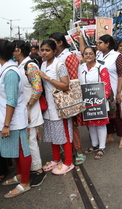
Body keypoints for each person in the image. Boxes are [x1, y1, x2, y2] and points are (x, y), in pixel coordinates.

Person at [0, 40, 32, 198]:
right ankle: (20, 175)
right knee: (17, 151)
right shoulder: (6, 69)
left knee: (22, 151)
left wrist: (6, 124)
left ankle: (25, 182)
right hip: (10, 118)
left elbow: (11, 100)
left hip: (14, 120)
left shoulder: (10, 73)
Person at [49, 32, 85, 165]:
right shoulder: (56, 57)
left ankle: (79, 151)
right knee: (65, 126)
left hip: (68, 97)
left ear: (59, 42)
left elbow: (73, 81)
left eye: (52, 41)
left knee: (72, 126)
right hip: (58, 97)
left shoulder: (68, 57)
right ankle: (69, 150)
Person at [12, 40, 46, 187]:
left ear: (18, 50)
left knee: (30, 141)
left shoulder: (30, 65)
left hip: (29, 110)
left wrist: (28, 106)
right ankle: (31, 168)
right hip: (23, 111)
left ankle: (39, 170)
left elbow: (38, 89)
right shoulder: (18, 66)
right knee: (26, 141)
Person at [39, 40, 74, 175]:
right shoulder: (42, 65)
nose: (44, 53)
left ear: (54, 51)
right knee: (53, 134)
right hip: (48, 107)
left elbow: (65, 85)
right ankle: (56, 159)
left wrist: (47, 78)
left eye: (47, 50)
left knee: (64, 135)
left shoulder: (59, 65)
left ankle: (68, 162)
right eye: (42, 50)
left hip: (60, 107)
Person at [78, 46, 112, 159]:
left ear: (95, 55)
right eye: (86, 53)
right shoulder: (81, 67)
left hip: (99, 102)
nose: (88, 55)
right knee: (91, 124)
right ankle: (94, 145)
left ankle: (102, 147)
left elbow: (106, 85)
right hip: (87, 102)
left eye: (90, 53)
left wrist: (103, 99)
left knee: (101, 125)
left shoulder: (101, 68)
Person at [95, 35, 122, 148]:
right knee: (106, 115)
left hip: (113, 90)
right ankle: (110, 135)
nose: (98, 45)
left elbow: (121, 75)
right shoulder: (98, 55)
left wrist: (119, 92)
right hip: (101, 91)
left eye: (100, 42)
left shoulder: (116, 56)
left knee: (116, 116)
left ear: (107, 44)